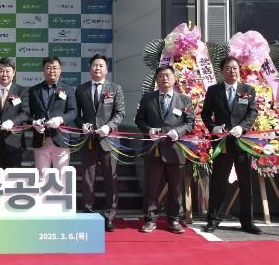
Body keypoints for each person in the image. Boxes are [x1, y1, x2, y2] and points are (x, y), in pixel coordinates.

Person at [201, 56, 260, 234]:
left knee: (246, 183)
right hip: (223, 144)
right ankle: (213, 219)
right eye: (228, 68)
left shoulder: (248, 90)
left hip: (242, 143)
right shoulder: (214, 90)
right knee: (218, 182)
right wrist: (214, 127)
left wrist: (242, 128)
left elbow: (252, 112)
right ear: (222, 71)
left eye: (234, 68)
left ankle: (247, 221)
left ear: (239, 70)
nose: (232, 71)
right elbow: (205, 114)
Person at [135, 65, 194, 234]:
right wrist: (148, 130)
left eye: (168, 75)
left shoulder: (184, 100)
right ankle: (150, 219)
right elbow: (139, 120)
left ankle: (174, 219)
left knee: (175, 188)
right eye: (161, 76)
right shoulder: (148, 99)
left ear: (174, 79)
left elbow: (190, 122)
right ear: (156, 79)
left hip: (175, 150)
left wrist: (178, 132)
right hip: (153, 149)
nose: (165, 78)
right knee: (152, 187)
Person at [75, 54, 125, 232]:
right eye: (94, 65)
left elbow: (120, 113)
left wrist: (108, 127)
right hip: (88, 140)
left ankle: (109, 216)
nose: (97, 68)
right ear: (89, 68)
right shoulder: (81, 89)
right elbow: (76, 114)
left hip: (109, 140)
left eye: (101, 65)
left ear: (106, 69)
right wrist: (82, 125)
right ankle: (88, 213)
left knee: (111, 178)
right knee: (88, 179)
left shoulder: (115, 88)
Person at [22, 57, 76, 175]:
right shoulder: (34, 90)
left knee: (62, 176)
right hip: (40, 139)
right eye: (48, 68)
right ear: (43, 70)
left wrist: (61, 119)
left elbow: (73, 111)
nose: (52, 71)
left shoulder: (68, 89)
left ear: (60, 70)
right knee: (42, 176)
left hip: (61, 139)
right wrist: (34, 123)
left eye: (55, 68)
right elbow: (27, 114)